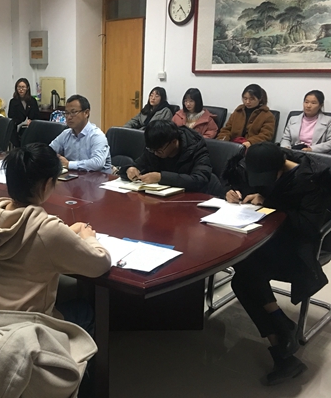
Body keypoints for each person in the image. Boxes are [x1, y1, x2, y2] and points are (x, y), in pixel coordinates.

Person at [225, 142, 331, 385]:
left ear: (281, 167)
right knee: (243, 272)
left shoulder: (313, 180)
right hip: (270, 238)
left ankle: (283, 338)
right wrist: (232, 191)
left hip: (300, 250)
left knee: (244, 273)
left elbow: (308, 228)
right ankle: (282, 341)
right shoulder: (267, 163)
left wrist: (270, 204)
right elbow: (249, 186)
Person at [0, 143, 111, 324]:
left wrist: (67, 232)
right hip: (24, 327)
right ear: (47, 184)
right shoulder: (47, 230)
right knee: (85, 310)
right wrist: (89, 239)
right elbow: (100, 264)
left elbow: (30, 238)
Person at [121, 120, 223, 195]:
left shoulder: (196, 147)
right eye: (152, 150)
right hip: (159, 201)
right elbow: (137, 164)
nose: (155, 154)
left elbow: (200, 179)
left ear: (174, 142)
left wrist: (161, 177)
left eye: (159, 151)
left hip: (190, 202)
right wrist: (130, 169)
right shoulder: (154, 148)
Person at [49, 94, 112, 173]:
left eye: (73, 112)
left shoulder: (97, 135)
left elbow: (97, 163)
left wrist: (69, 164)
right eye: (67, 113)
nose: (69, 117)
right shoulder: (66, 134)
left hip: (98, 178)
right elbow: (49, 151)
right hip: (74, 177)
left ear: (86, 113)